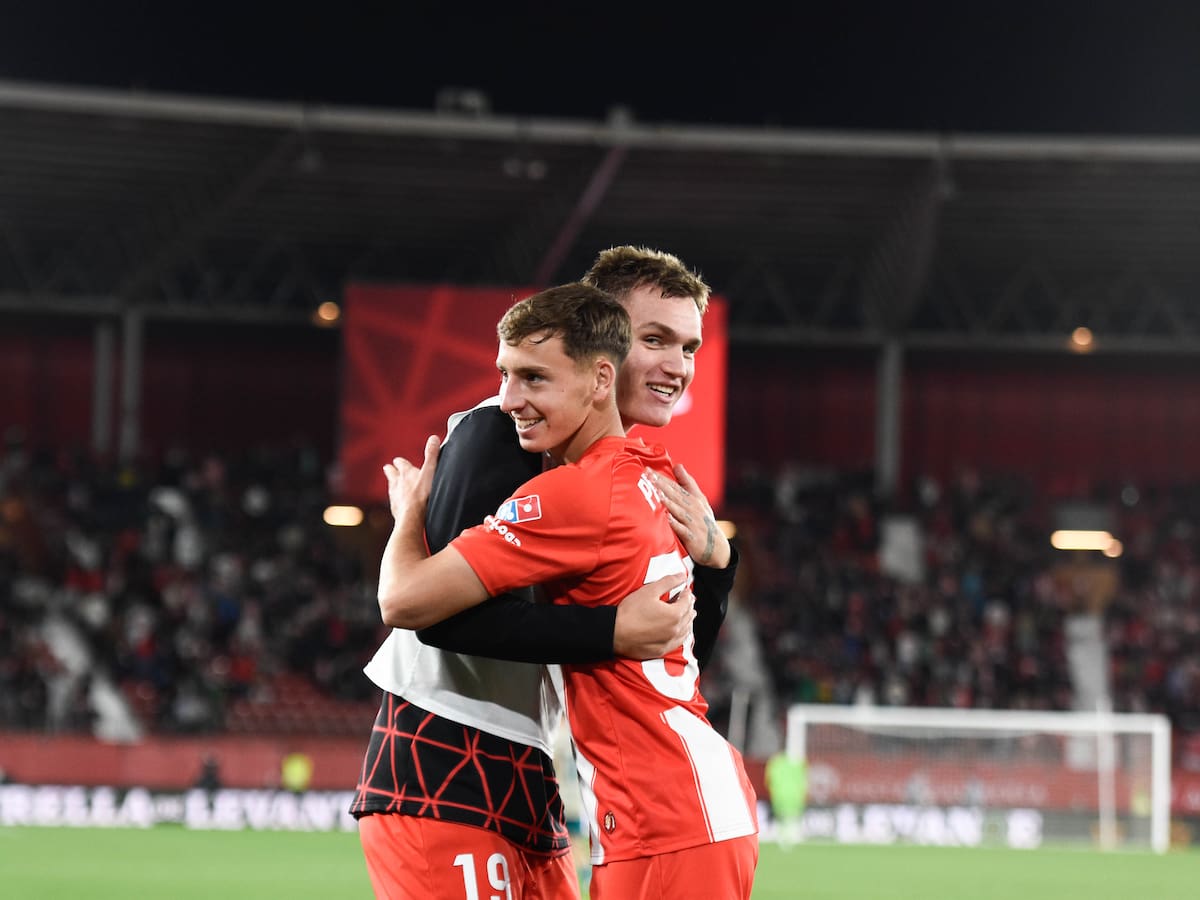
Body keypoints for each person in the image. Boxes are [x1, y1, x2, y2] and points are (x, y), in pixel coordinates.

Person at [351, 246, 738, 899]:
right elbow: (433, 616)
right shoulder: (499, 432)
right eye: (654, 340)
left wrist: (718, 566)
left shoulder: (629, 473)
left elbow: (668, 652)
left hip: (534, 770)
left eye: (689, 348)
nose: (677, 367)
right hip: (440, 753)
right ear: (599, 338)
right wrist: (608, 630)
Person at [764, 749, 808, 849]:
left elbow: (768, 780)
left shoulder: (774, 764)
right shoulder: (798, 764)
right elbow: (803, 781)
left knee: (781, 817)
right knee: (792, 817)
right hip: (795, 796)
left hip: (779, 795)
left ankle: (782, 836)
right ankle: (791, 836)